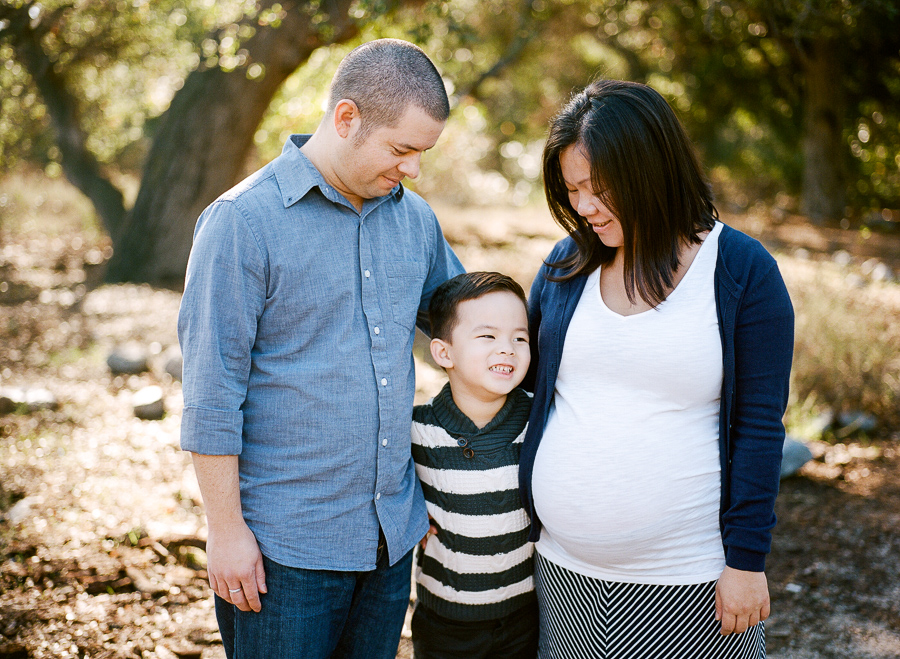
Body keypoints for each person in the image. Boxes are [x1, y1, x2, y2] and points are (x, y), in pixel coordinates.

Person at [177, 39, 464, 659]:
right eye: (402, 149)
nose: (413, 169)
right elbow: (211, 390)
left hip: (391, 542)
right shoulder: (241, 223)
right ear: (346, 119)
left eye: (423, 153)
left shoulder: (415, 221)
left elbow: (468, 328)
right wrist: (225, 532)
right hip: (284, 553)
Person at [517, 79, 794, 658]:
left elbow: (760, 427)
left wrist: (746, 562)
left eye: (598, 188)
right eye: (572, 190)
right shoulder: (566, 267)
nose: (583, 207)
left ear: (651, 168)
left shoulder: (742, 271)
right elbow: (521, 392)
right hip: (566, 580)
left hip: (692, 584)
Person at [411, 271, 537, 659]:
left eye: (520, 337)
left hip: (525, 614)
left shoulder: (538, 420)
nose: (507, 349)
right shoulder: (419, 431)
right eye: (488, 336)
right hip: (446, 622)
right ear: (443, 352)